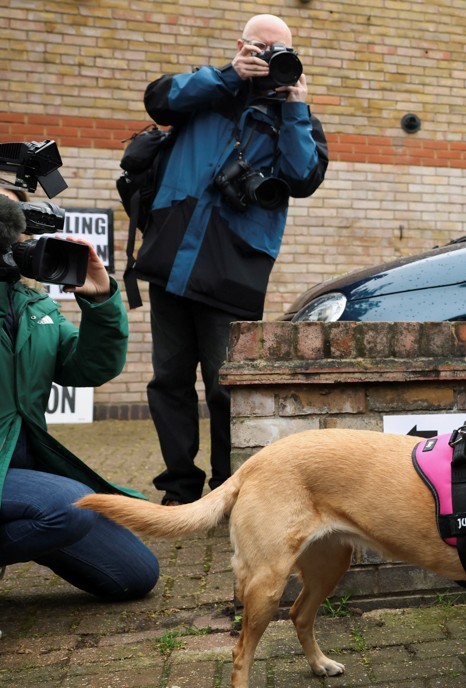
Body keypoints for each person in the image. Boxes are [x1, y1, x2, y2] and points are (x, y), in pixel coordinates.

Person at [134, 13, 328, 504]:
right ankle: (179, 487)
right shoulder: (206, 92)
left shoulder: (292, 115)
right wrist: (228, 76)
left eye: (278, 50)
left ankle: (228, 489)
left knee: (226, 387)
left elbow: (303, 178)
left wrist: (296, 110)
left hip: (232, 267)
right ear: (241, 46)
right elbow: (158, 98)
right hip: (172, 257)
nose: (268, 58)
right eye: (260, 48)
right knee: (170, 380)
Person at [0, 186, 159, 617]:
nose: (14, 229)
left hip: (26, 469)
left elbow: (88, 369)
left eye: (19, 219)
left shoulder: (33, 307)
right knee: (68, 505)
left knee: (135, 574)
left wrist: (100, 300)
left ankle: (27, 523)